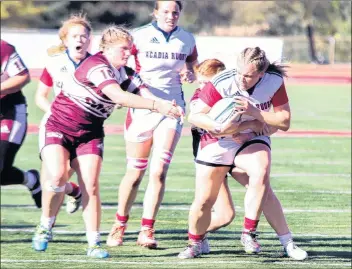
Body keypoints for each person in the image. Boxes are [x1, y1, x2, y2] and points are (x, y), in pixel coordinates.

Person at [31, 23, 181, 259]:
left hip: (90, 132)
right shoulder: (97, 65)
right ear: (108, 48)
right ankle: (45, 225)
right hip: (59, 126)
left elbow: (144, 93)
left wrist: (167, 108)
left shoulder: (126, 72)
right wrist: (157, 105)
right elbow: (118, 96)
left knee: (91, 185)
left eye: (130, 49)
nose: (129, 53)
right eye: (124, 48)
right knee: (58, 175)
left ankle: (94, 243)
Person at [178, 47, 303, 259]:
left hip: (251, 136)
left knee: (261, 172)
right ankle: (195, 242)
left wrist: (255, 115)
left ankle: (255, 234)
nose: (241, 79)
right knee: (204, 201)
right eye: (239, 73)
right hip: (217, 139)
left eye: (248, 75)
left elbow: (284, 121)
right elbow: (195, 117)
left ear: (260, 75)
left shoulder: (273, 81)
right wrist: (220, 128)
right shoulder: (222, 81)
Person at [106, 0, 198, 249]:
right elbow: (120, 63)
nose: (171, 16)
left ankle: (147, 229)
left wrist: (190, 72)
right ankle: (119, 224)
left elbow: (192, 61)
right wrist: (120, 92)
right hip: (142, 107)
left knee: (158, 171)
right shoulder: (139, 36)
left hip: (172, 109)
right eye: (166, 11)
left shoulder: (187, 38)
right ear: (155, 12)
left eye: (175, 12)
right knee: (135, 174)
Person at [35, 15, 91, 215]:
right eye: (75, 36)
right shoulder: (54, 63)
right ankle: (46, 224)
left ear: (90, 39)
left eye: (84, 36)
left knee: (62, 176)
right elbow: (40, 96)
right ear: (65, 40)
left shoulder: (96, 65)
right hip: (54, 126)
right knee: (50, 181)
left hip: (84, 130)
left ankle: (73, 192)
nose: (80, 40)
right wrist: (56, 113)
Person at [0, 39, 42, 208]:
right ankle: (31, 180)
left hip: (8, 111)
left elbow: (23, 76)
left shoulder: (3, 47)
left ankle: (32, 180)